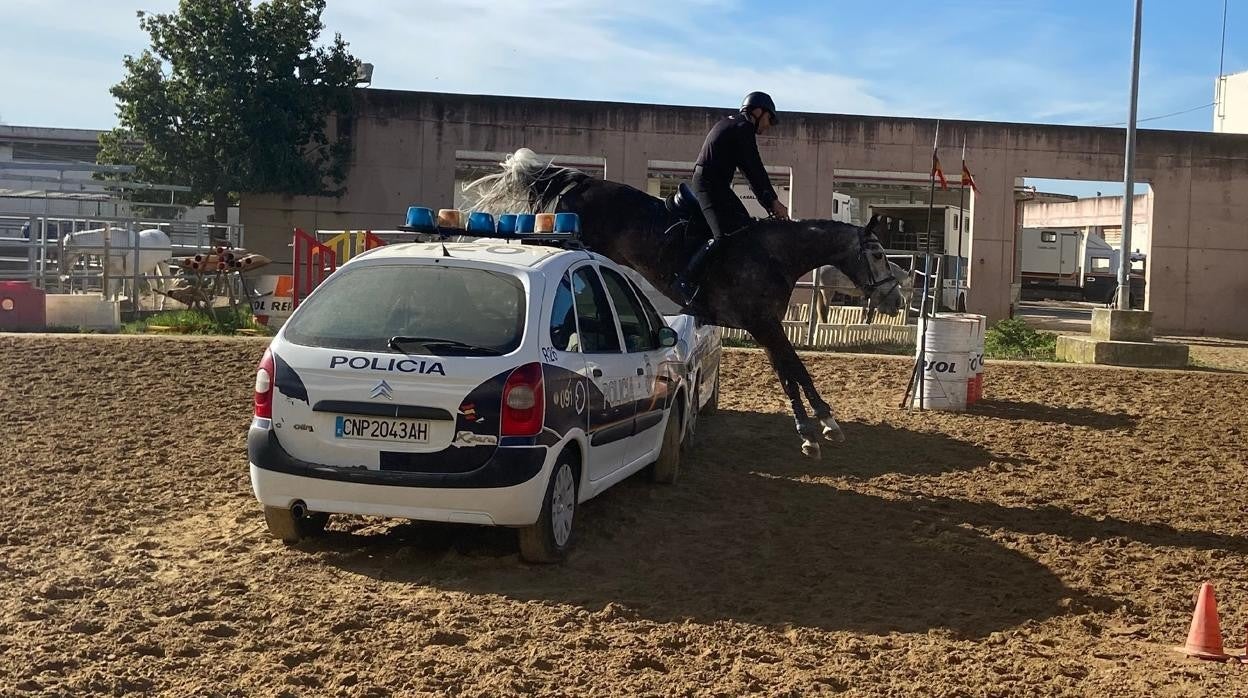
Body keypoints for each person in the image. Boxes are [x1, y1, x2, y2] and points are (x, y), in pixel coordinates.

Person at [672, 91, 789, 304]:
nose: (769, 125)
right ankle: (686, 280)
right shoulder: (742, 127)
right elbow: (754, 169)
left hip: (717, 185)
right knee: (726, 235)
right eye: (770, 118)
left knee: (744, 227)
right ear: (757, 111)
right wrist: (773, 202)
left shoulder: (735, 125)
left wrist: (768, 204)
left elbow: (748, 170)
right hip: (709, 185)